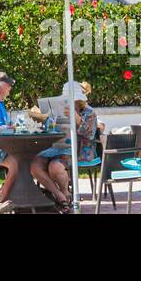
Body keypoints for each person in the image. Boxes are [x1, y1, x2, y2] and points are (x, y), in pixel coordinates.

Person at [30, 81, 98, 212]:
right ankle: (61, 195)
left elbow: (90, 135)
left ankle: (64, 194)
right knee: (34, 164)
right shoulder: (59, 109)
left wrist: (78, 120)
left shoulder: (89, 112)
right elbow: (50, 130)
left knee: (54, 167)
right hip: (55, 147)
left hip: (79, 149)